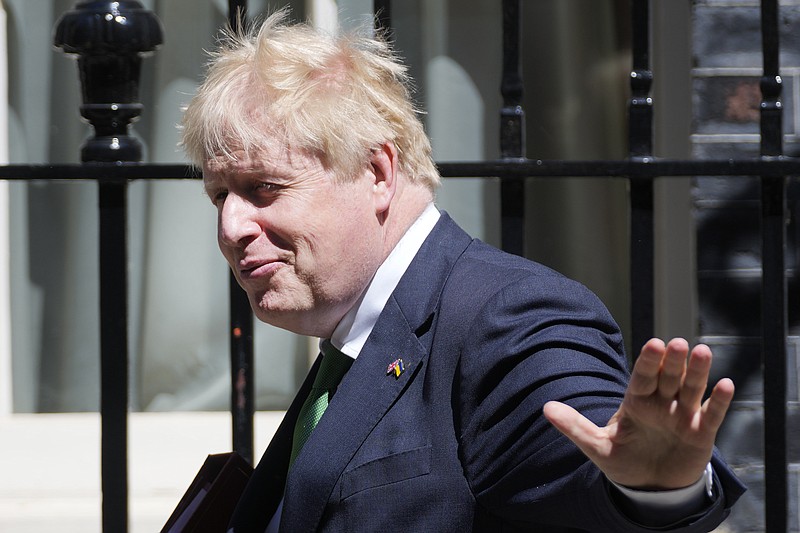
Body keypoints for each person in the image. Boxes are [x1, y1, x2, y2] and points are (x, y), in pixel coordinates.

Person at [181, 10, 746, 532]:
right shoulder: (352, 343)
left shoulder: (509, 314)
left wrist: (651, 486)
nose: (232, 227)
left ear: (377, 172)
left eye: (265, 188)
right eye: (219, 197)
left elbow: (588, 453)